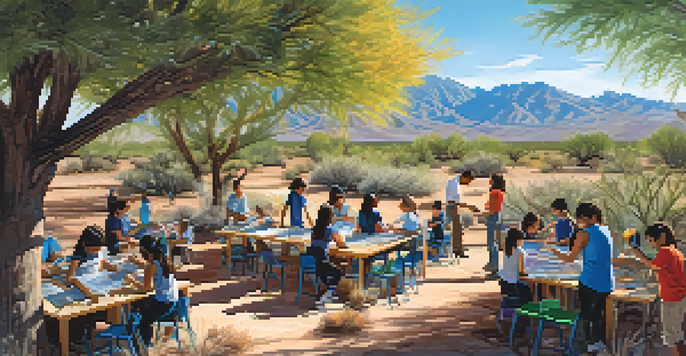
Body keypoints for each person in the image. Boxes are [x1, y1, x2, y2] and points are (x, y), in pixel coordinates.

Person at [550, 203, 614, 354]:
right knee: (598, 315)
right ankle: (598, 345)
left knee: (585, 315)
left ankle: (580, 347)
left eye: (580, 218)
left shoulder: (583, 233)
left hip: (590, 281)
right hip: (606, 281)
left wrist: (556, 252)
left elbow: (570, 258)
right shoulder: (606, 230)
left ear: (585, 218)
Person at [628, 224, 686, 356]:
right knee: (678, 335)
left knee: (671, 336)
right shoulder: (674, 250)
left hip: (672, 299)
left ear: (659, 238)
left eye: (650, 241)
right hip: (679, 298)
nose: (650, 244)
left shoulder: (665, 251)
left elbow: (653, 265)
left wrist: (637, 253)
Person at [125, 235, 178, 348]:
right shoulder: (165, 260)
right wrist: (135, 262)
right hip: (173, 303)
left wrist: (131, 281)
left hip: (162, 305)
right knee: (144, 307)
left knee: (142, 320)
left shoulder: (150, 266)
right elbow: (151, 268)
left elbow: (146, 288)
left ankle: (143, 348)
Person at [306, 204, 347, 306]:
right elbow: (340, 244)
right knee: (339, 272)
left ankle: (326, 293)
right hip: (322, 260)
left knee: (326, 273)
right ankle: (328, 294)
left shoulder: (315, 229)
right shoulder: (330, 229)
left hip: (312, 261)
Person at [474, 173, 506, 273]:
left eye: (490, 179)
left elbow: (491, 209)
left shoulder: (494, 193)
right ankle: (493, 263)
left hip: (492, 217)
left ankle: (493, 264)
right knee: (493, 241)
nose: (489, 180)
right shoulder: (500, 192)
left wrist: (480, 215)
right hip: (497, 216)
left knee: (491, 242)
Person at [445, 170, 479, 258]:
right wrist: (470, 206)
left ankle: (458, 248)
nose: (468, 183)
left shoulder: (455, 183)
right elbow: (452, 201)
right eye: (468, 181)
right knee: (457, 230)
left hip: (454, 207)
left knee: (459, 229)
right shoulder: (454, 184)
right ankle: (457, 250)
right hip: (452, 208)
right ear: (464, 177)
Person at [499, 228, 533, 304]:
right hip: (515, 285)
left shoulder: (506, 249)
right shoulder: (520, 252)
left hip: (505, 282)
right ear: (517, 240)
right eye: (522, 239)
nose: (523, 241)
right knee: (531, 294)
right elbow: (521, 271)